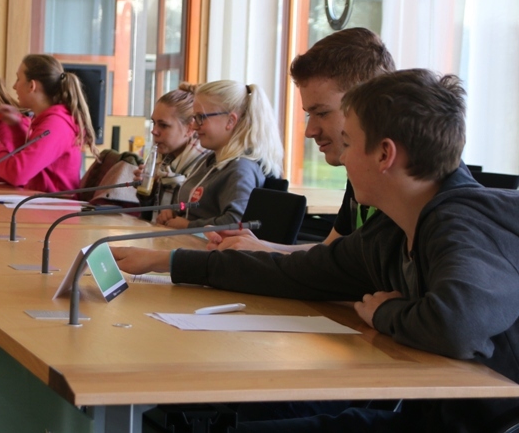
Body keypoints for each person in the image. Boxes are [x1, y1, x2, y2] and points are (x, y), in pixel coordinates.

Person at [113, 70, 519, 433]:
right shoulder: (392, 230)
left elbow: (456, 326)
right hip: (431, 419)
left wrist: (385, 312)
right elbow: (294, 272)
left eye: (349, 143)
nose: (342, 156)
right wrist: (167, 262)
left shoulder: (465, 221)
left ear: (385, 154)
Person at [207, 28, 395, 253]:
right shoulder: (357, 171)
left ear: (367, 105)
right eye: (309, 115)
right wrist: (260, 247)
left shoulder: (399, 185)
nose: (309, 131)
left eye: (322, 113)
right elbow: (330, 252)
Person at [155, 80, 283, 229]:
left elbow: (237, 222)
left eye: (201, 117)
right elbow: (196, 206)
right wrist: (176, 211)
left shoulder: (241, 169)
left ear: (230, 121)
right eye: (194, 118)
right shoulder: (209, 161)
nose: (194, 126)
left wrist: (189, 225)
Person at [0, 54, 97, 192]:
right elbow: (31, 163)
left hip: (54, 204)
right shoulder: (49, 120)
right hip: (40, 200)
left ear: (31, 86)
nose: (14, 86)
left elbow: (18, 174)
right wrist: (16, 127)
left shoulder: (56, 125)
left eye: (18, 79)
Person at [138, 84, 209, 208]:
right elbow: (151, 214)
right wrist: (147, 190)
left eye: (163, 125)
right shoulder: (163, 162)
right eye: (154, 123)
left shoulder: (205, 167)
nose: (154, 131)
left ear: (190, 128)